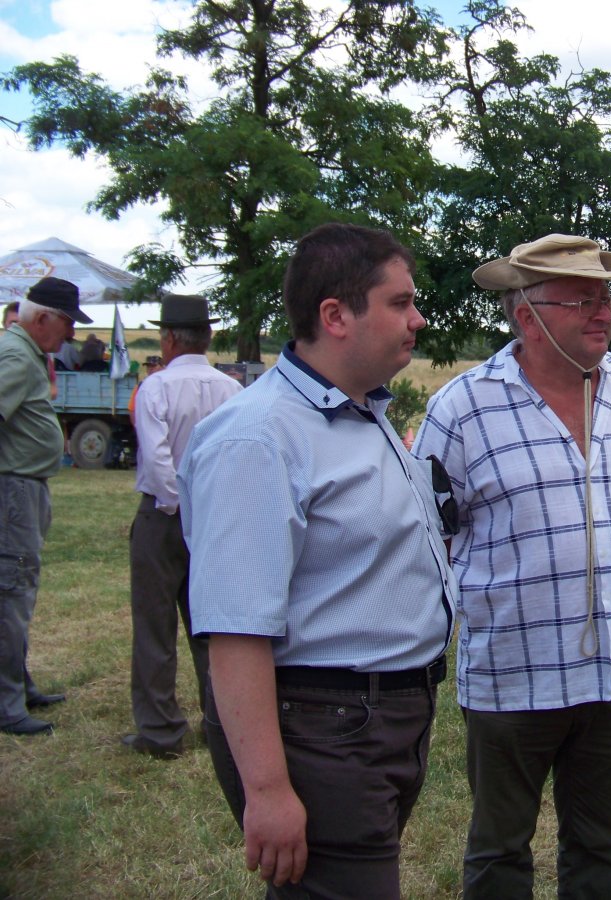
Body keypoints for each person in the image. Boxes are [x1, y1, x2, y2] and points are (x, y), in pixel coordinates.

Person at [178, 223, 457, 895]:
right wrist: (269, 790)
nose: (418, 319)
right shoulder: (258, 437)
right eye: (400, 303)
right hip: (326, 727)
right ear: (335, 315)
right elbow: (236, 628)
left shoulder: (362, 414)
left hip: (381, 720)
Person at [414, 233, 611, 899]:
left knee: (599, 847)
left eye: (607, 297)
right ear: (527, 314)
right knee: (500, 852)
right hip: (512, 677)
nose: (604, 312)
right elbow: (425, 536)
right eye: (583, 299)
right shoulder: (462, 407)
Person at [123, 296, 243, 759]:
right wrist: (205, 508)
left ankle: (160, 729)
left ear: (168, 338)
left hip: (163, 515)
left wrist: (178, 503)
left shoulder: (157, 388)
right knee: (211, 628)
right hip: (214, 518)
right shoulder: (231, 390)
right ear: (208, 337)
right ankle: (220, 723)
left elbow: (156, 461)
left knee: (154, 625)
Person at [0, 277, 93, 736]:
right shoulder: (16, 356)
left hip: (23, 487)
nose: (72, 335)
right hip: (12, 489)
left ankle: (18, 683)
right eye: (68, 323)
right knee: (10, 592)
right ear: (41, 319)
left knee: (19, 588)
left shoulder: (24, 353)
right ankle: (7, 704)